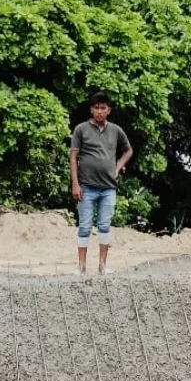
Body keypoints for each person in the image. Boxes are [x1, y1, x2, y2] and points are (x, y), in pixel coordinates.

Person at [70, 91, 132, 275]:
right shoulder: (81, 129)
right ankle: (81, 267)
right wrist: (75, 184)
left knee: (105, 226)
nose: (99, 111)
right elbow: (73, 158)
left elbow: (128, 151)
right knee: (85, 227)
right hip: (86, 187)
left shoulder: (116, 130)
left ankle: (102, 266)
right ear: (91, 109)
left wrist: (118, 166)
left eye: (103, 108)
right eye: (96, 108)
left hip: (108, 188)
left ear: (108, 110)